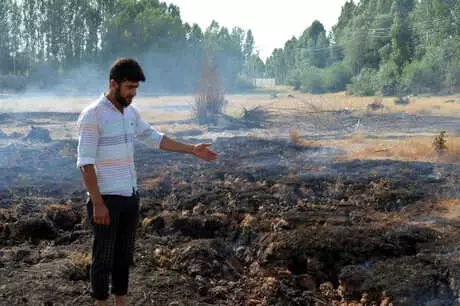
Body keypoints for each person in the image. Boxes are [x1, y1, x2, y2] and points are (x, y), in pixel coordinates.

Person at [76, 58, 217, 306]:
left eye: (136, 89)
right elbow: (85, 162)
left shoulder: (130, 113)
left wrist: (192, 149)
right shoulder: (93, 115)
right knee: (103, 258)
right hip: (106, 199)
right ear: (113, 83)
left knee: (123, 257)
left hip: (130, 196)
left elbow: (155, 138)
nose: (133, 94)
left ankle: (121, 302)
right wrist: (97, 203)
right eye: (129, 88)